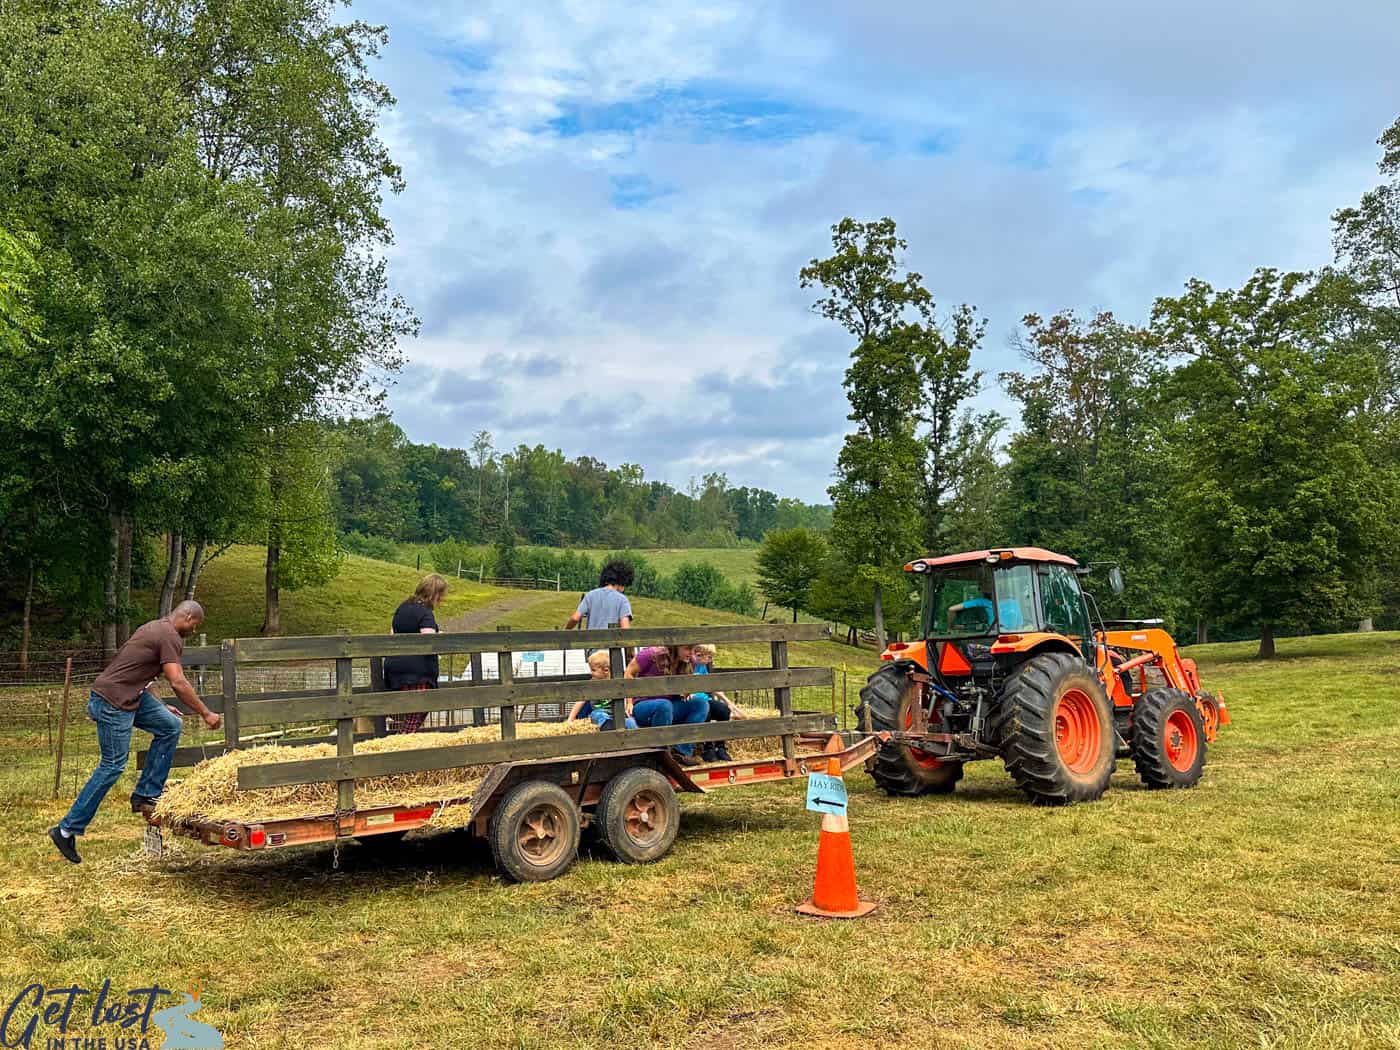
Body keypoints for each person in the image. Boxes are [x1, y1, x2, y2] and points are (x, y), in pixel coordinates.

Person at [48, 601, 221, 865]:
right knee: (113, 766)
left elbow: (141, 675)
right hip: (113, 702)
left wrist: (162, 708)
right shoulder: (170, 636)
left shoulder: (154, 628)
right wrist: (205, 713)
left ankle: (147, 792)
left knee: (170, 725)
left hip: (129, 696)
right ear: (187, 617)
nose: (193, 631)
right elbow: (177, 681)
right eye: (194, 625)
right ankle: (66, 830)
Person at [623, 644, 708, 766]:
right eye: (687, 649)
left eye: (693, 649)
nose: (691, 653)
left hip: (668, 706)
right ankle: (660, 755)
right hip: (643, 705)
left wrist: (685, 691)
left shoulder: (688, 661)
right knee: (664, 705)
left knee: (701, 703)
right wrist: (629, 701)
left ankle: (681, 751)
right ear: (676, 646)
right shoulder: (651, 654)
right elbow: (628, 673)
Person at [384, 574, 448, 733]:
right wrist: (439, 637)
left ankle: (398, 741)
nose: (441, 600)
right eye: (441, 595)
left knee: (404, 712)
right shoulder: (425, 612)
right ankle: (400, 743)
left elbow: (392, 633)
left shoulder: (402, 607)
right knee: (418, 708)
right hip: (417, 672)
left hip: (394, 667)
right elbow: (428, 641)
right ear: (434, 594)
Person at [691, 643, 745, 763]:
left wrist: (729, 703)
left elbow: (711, 686)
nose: (711, 659)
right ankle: (708, 747)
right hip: (694, 702)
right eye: (709, 657)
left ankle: (720, 746)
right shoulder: (688, 666)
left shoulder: (703, 667)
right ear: (699, 655)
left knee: (723, 710)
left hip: (705, 699)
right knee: (706, 711)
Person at [566, 650, 637, 730]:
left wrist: (629, 704)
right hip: (600, 711)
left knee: (631, 722)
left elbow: (627, 690)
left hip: (618, 712)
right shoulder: (592, 684)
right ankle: (608, 727)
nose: (591, 673)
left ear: (606, 670)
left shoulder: (616, 681)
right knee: (597, 716)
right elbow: (580, 701)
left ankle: (636, 736)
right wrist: (570, 719)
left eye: (593, 670)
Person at [564, 560, 634, 635]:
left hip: (590, 644)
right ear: (622, 581)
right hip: (610, 644)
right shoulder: (622, 599)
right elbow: (625, 629)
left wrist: (564, 633)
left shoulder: (590, 595)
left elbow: (575, 618)